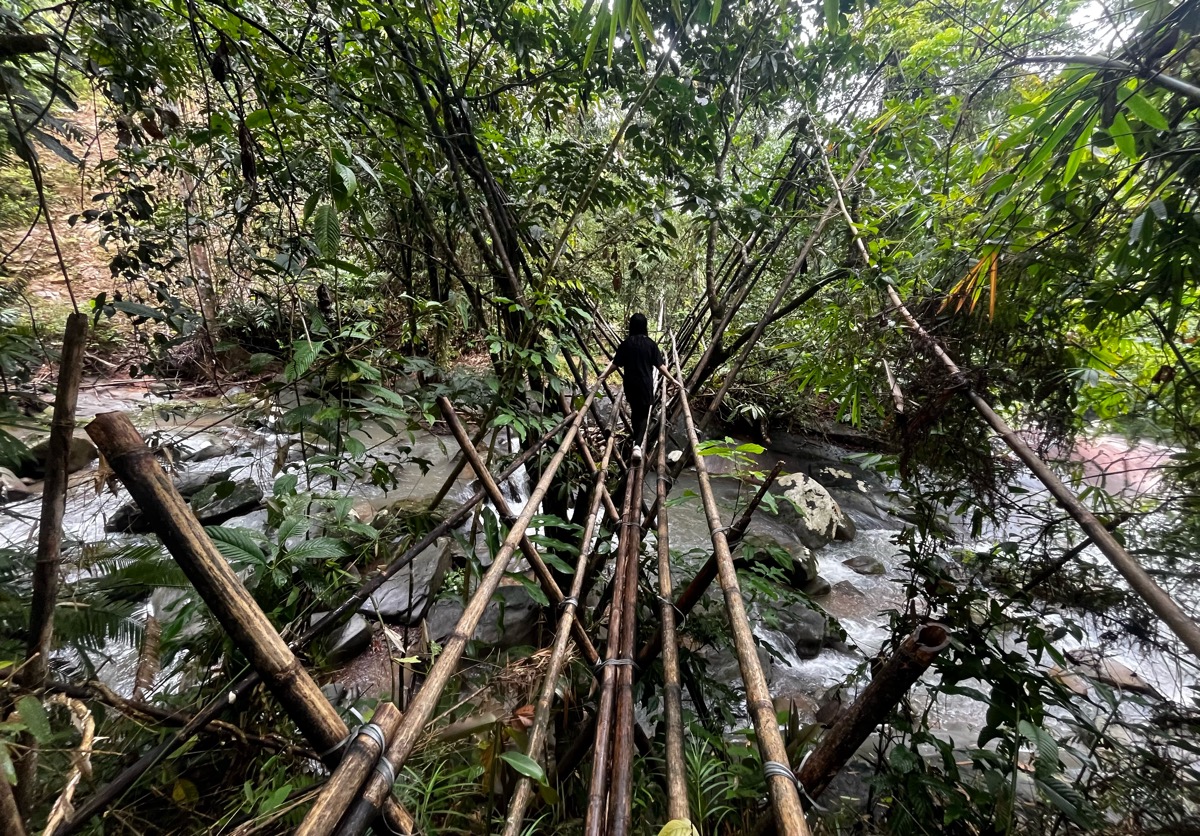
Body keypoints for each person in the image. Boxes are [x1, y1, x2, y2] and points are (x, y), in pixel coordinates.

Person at [611, 312, 668, 462]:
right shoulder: (650, 344)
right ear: (645, 326)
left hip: (630, 383)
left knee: (636, 411)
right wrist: (672, 379)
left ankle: (636, 439)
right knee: (643, 414)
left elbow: (615, 364)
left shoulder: (626, 343)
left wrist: (603, 375)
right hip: (645, 383)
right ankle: (637, 445)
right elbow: (660, 366)